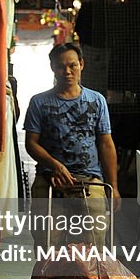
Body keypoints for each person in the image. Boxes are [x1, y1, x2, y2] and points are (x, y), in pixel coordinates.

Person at [23, 43, 119, 246]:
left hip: (90, 181)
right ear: (52, 68)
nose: (67, 71)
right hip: (50, 181)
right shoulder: (39, 102)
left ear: (82, 64)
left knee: (94, 248)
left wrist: (114, 187)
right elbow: (31, 143)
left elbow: (106, 145)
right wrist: (54, 166)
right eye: (60, 66)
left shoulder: (97, 101)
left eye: (72, 65)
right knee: (47, 246)